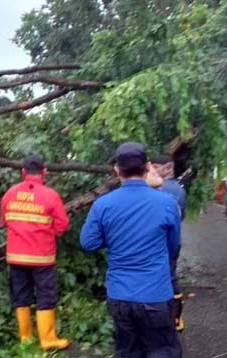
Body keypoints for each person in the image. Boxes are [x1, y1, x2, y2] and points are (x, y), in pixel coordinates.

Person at [80, 142, 182, 357]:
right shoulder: (167, 203)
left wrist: (116, 239)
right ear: (147, 167)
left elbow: (88, 242)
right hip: (156, 295)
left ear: (117, 169)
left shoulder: (103, 204)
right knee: (162, 351)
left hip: (120, 296)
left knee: (128, 352)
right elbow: (173, 247)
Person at [0, 154, 70, 351]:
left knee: (20, 296)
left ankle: (25, 339)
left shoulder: (9, 194)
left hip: (15, 256)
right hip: (42, 257)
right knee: (45, 296)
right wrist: (49, 233)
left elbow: (4, 221)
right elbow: (63, 225)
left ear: (23, 172)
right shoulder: (50, 195)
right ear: (44, 172)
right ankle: (47, 340)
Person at [152, 155, 186, 332]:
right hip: (174, 239)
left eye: (156, 167)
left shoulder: (162, 189)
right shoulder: (179, 189)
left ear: (167, 168)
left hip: (161, 241)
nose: (152, 171)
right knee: (171, 275)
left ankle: (170, 316)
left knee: (167, 277)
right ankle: (176, 317)